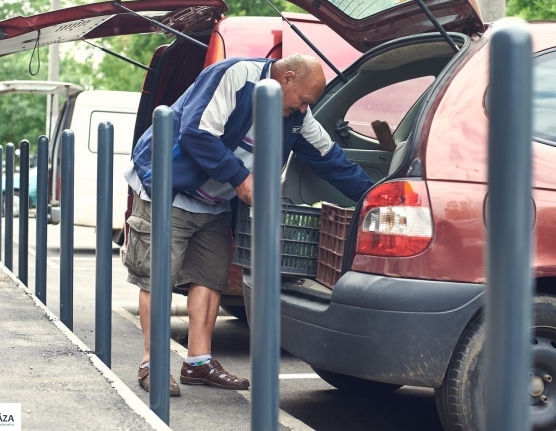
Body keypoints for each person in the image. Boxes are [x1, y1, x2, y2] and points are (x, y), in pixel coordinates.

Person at [123, 54, 374, 395]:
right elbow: (197, 133)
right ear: (286, 78)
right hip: (170, 185)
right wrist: (241, 179)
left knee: (210, 276)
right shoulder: (235, 75)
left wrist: (374, 196)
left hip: (214, 200)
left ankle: (198, 363)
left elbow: (331, 159)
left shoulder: (297, 115)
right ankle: (152, 364)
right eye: (303, 100)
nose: (303, 109)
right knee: (158, 276)